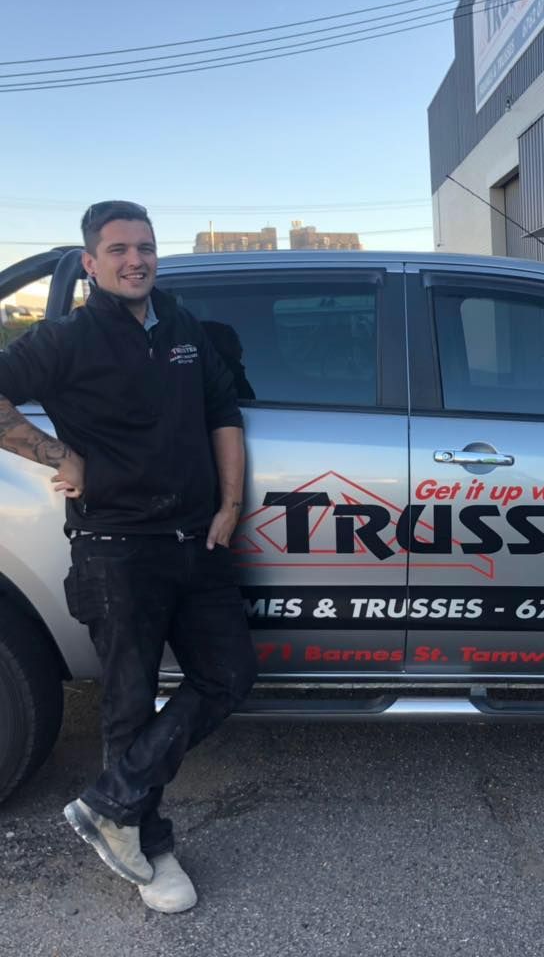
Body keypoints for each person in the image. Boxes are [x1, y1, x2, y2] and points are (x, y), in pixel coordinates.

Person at [0, 201, 257, 913]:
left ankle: (112, 803)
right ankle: (146, 844)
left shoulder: (181, 328)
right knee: (126, 703)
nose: (134, 259)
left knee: (230, 674)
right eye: (117, 249)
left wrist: (230, 505)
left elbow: (222, 413)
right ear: (91, 262)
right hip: (116, 546)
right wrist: (57, 453)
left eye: (144, 246)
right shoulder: (66, 340)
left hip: (197, 539)